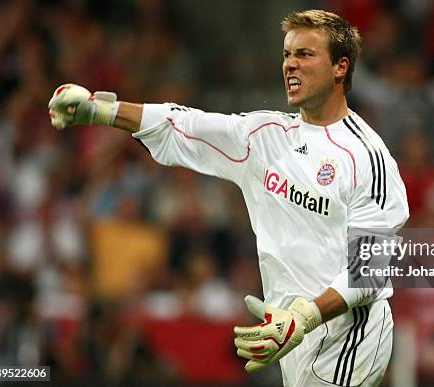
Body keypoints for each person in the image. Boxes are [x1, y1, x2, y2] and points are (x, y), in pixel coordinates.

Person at [48, 9, 409, 386]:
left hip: (347, 337)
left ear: (340, 67)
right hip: (292, 337)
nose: (290, 65)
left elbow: (372, 269)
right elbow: (183, 126)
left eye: (305, 54)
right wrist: (101, 109)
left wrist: (306, 316)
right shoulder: (265, 137)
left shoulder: (367, 158)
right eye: (287, 54)